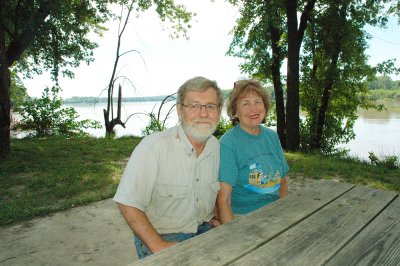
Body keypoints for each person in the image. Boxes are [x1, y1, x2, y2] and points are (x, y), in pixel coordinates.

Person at [113, 76, 224, 259]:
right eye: (194, 106)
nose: (203, 114)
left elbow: (216, 190)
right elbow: (127, 202)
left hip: (205, 230)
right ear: (180, 110)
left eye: (210, 106)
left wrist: (217, 218)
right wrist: (160, 246)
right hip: (162, 236)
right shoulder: (153, 148)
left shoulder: (216, 147)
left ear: (219, 111)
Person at [217, 79, 289, 224]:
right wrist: (230, 234)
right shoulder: (228, 143)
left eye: (258, 102)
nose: (253, 109)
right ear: (235, 111)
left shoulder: (272, 136)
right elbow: (223, 200)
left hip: (275, 213)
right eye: (246, 104)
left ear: (265, 106)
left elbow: (283, 182)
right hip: (244, 218)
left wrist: (285, 213)